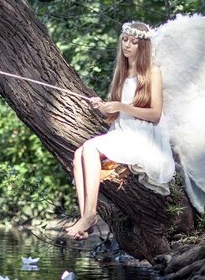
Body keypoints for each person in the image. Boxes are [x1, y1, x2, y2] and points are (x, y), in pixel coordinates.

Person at [66, 22, 175, 240]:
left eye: (134, 43)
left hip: (144, 136)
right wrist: (104, 107)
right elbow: (116, 116)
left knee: (90, 147)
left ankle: (89, 214)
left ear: (142, 47)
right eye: (125, 40)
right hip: (122, 131)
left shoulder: (153, 72)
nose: (127, 45)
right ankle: (86, 217)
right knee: (79, 154)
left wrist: (121, 106)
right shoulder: (122, 72)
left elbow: (155, 114)